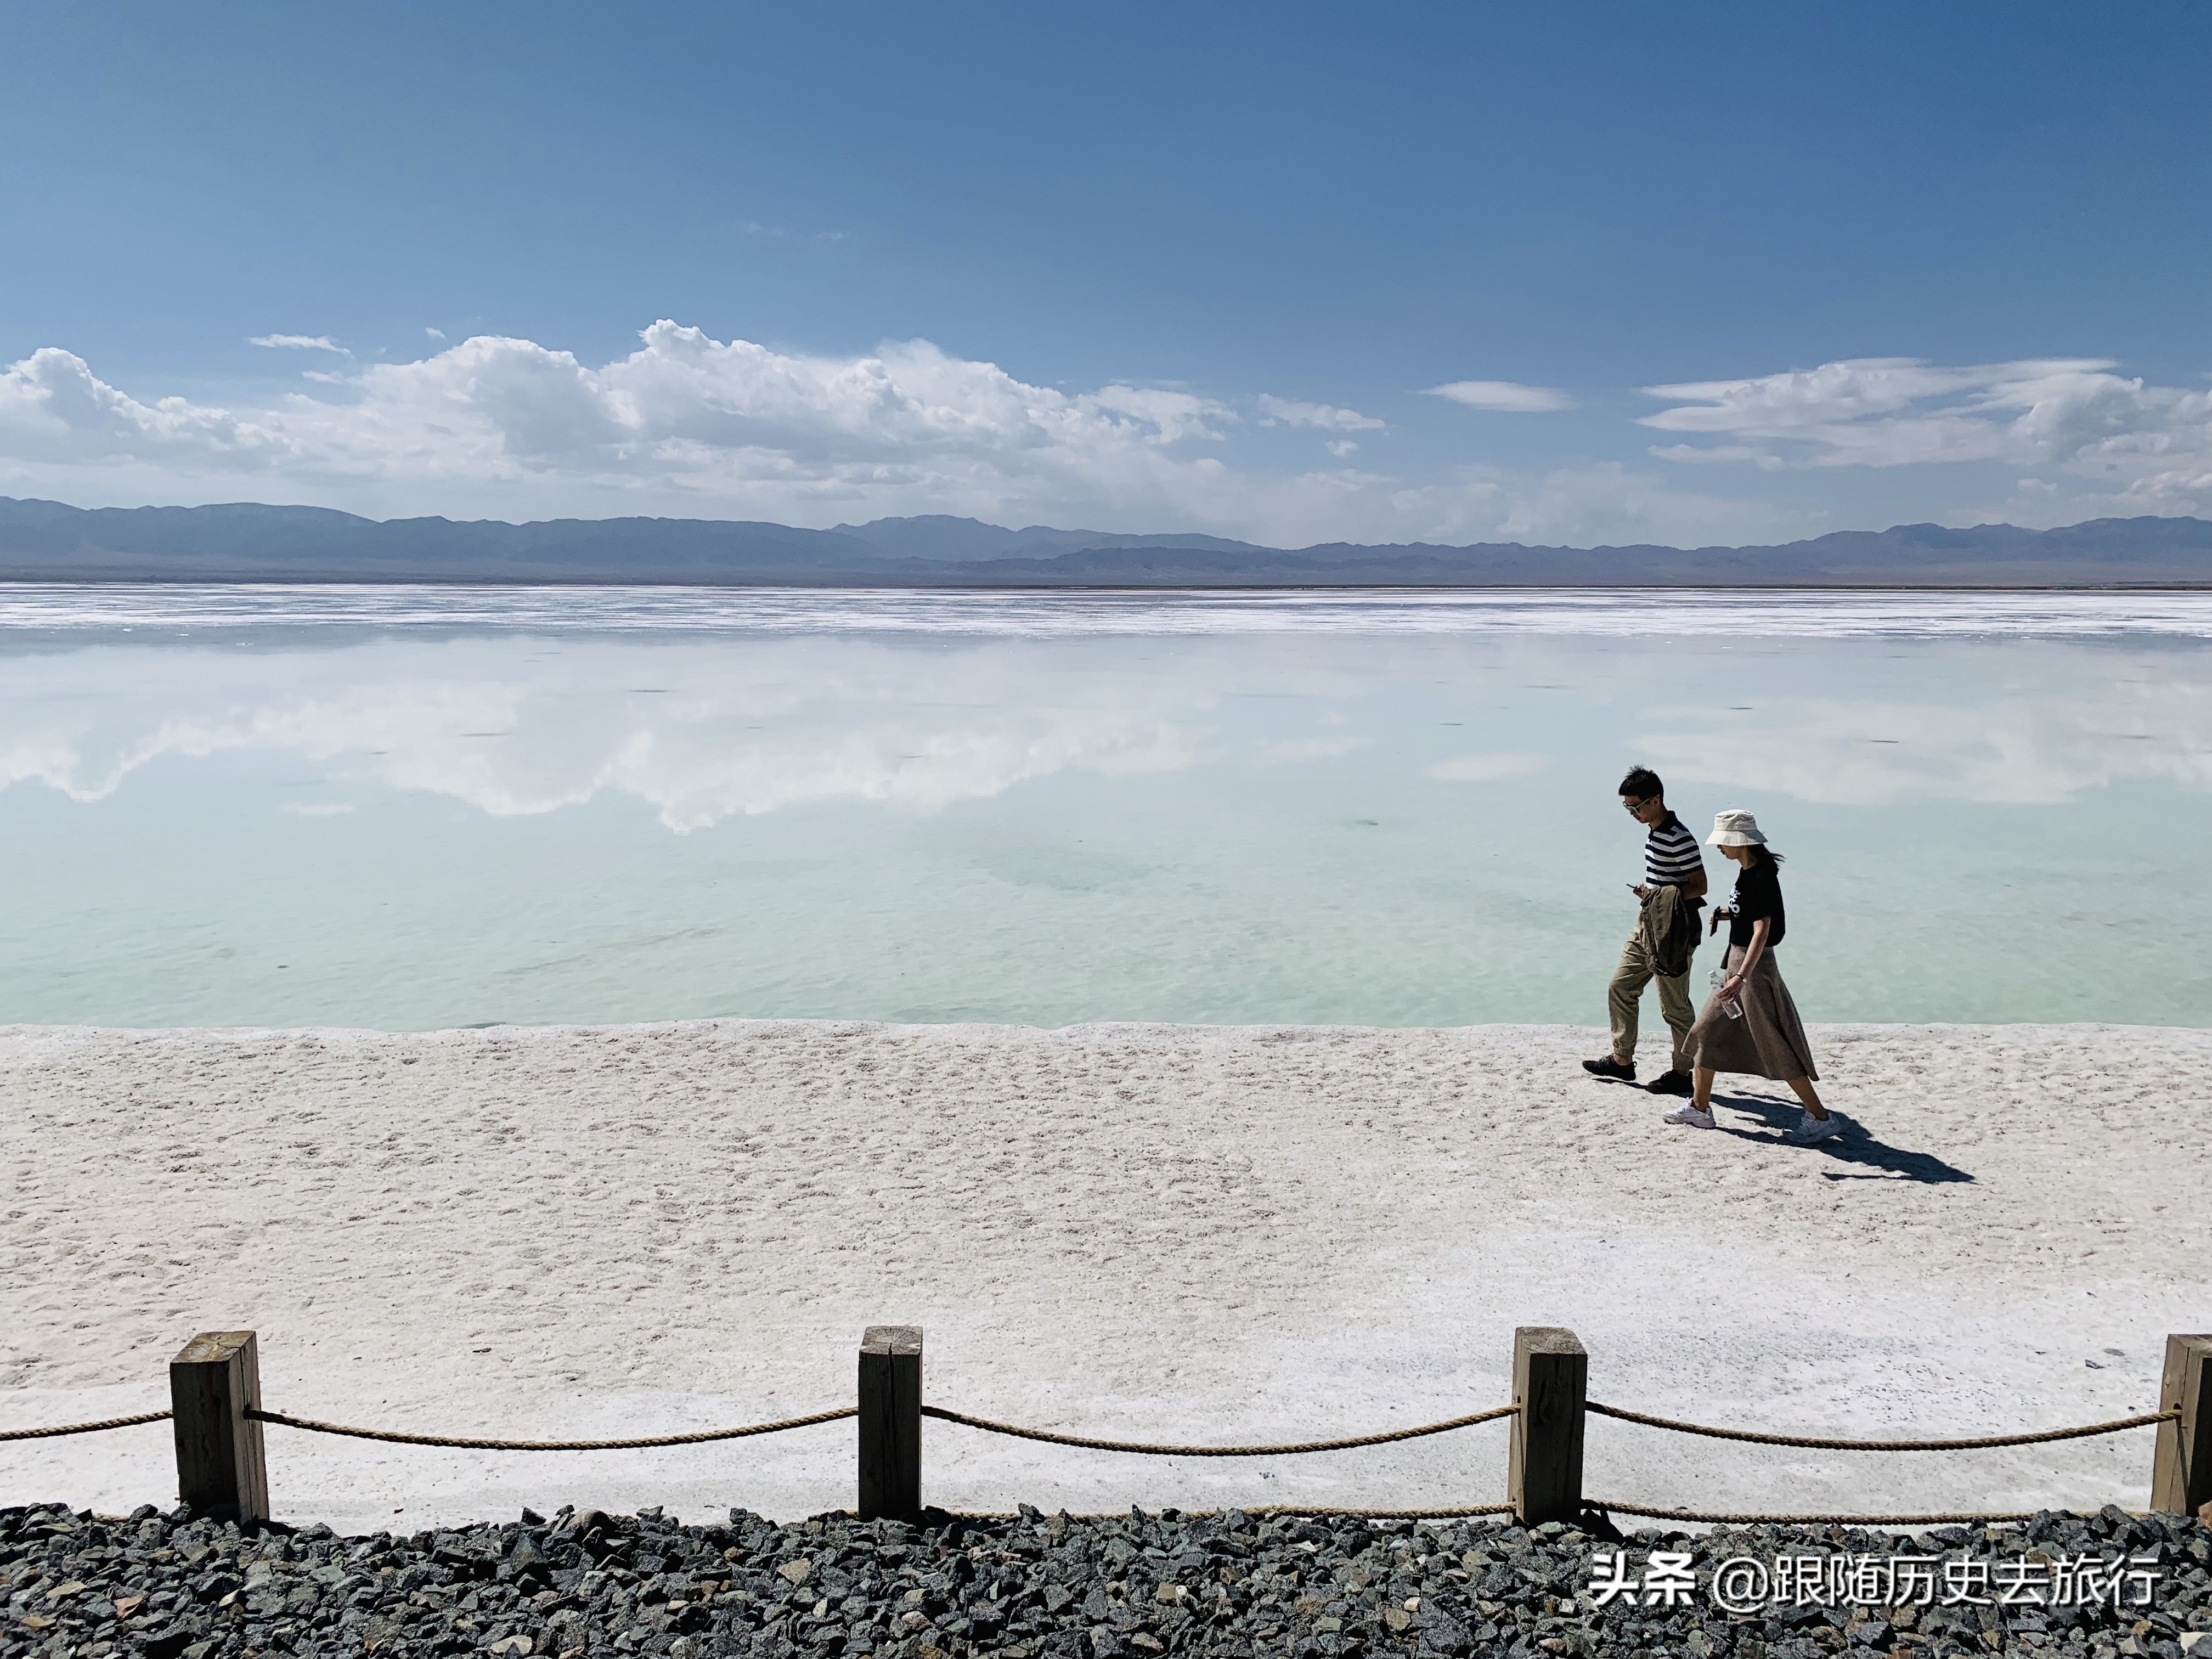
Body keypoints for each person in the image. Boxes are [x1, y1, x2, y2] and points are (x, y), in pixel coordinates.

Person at [1664, 809, 1839, 1143]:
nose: (1718, 848)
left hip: (1753, 971)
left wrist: (1741, 978)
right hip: (1737, 962)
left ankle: (1820, 1118)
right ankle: (1700, 1109)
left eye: (1722, 842)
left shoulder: (1762, 876)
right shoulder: (1748, 872)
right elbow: (1752, 913)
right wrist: (1729, 914)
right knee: (1705, 1032)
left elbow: (1763, 929)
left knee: (1774, 1044)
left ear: (1738, 842)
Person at [1582, 766, 1705, 1096]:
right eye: (1627, 808)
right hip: (1647, 924)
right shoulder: (1654, 832)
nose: (1632, 813)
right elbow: (1668, 881)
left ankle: (1683, 1073)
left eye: (1636, 806)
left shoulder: (1679, 837)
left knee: (1675, 1006)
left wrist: (1659, 895)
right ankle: (1622, 1062)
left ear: (1656, 800)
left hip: (1673, 931)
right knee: (1620, 987)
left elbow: (1699, 886)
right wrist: (1651, 892)